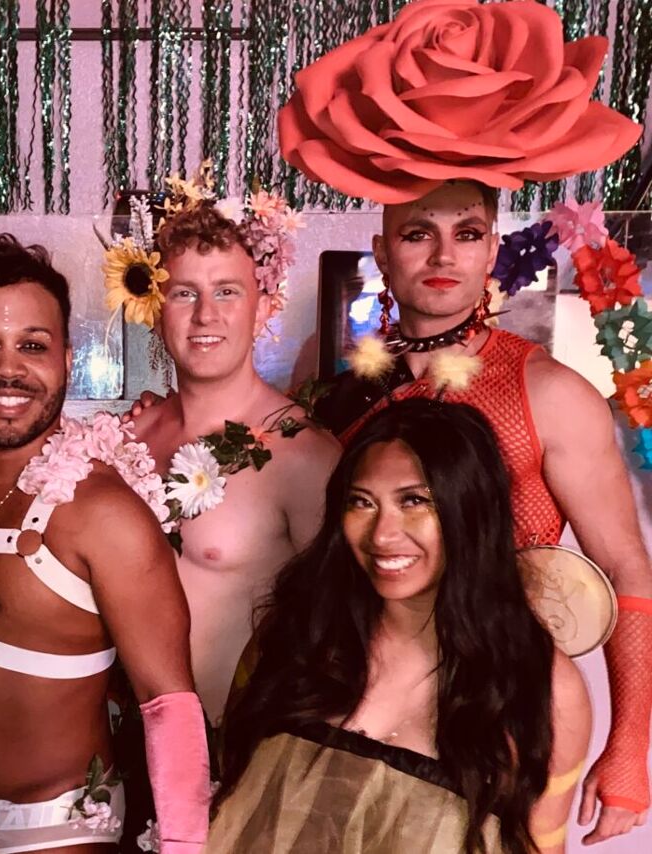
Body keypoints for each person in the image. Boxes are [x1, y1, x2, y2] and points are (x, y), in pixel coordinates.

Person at [278, 0, 652, 839]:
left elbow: (629, 567)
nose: (443, 256)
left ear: (492, 248)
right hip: (361, 714)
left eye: (468, 231)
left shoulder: (547, 391)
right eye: (418, 234)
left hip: (505, 719)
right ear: (381, 250)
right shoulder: (327, 379)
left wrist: (631, 748)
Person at [0, 234, 209, 853]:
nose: (8, 368)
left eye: (32, 346)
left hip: (58, 834)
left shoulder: (103, 515)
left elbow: (168, 706)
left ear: (67, 359)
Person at [211, 399, 591, 854]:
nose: (383, 534)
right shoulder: (298, 635)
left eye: (414, 501)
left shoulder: (543, 687)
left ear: (470, 510)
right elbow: (229, 800)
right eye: (362, 503)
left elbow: (539, 845)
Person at [128, 202, 339, 724]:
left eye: (227, 291)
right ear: (157, 308)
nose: (205, 315)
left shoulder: (303, 455)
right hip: (122, 750)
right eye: (184, 293)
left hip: (239, 755)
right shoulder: (129, 436)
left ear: (263, 307)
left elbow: (344, 638)